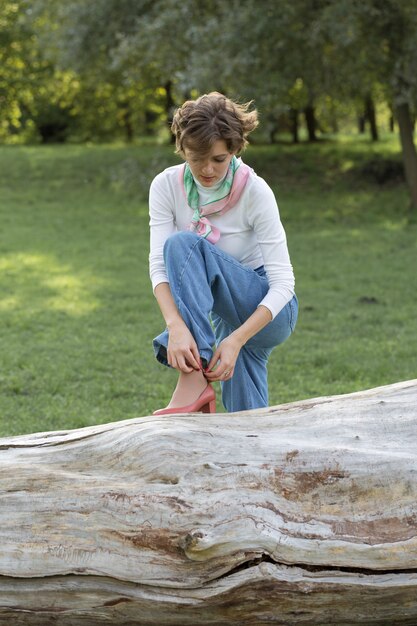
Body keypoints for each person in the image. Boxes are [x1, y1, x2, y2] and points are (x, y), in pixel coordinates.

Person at [149, 92, 298, 415]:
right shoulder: (165, 186)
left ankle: (192, 377)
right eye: (196, 157)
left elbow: (284, 284)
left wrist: (236, 340)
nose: (207, 169)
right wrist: (174, 324)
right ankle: (249, 452)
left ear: (234, 149)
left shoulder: (255, 191)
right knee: (246, 417)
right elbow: (159, 268)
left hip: (268, 311)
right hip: (221, 310)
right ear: (182, 149)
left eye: (218, 159)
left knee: (181, 244)